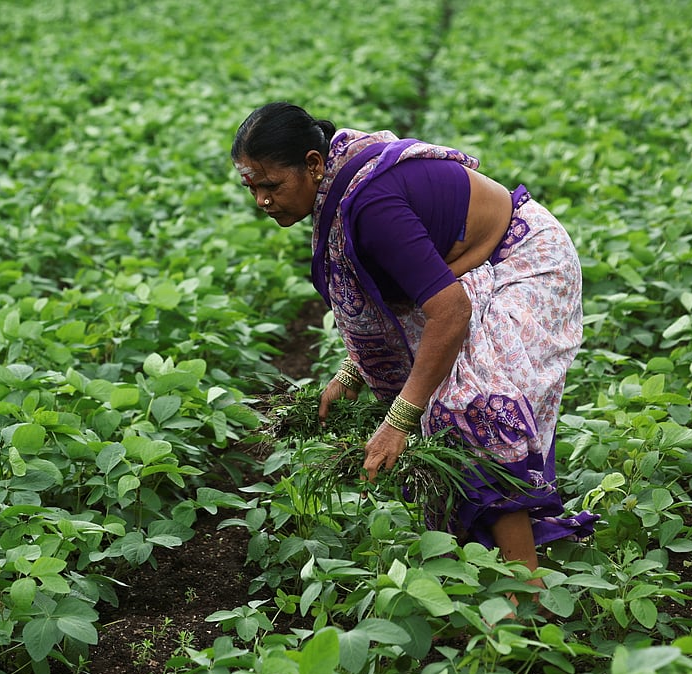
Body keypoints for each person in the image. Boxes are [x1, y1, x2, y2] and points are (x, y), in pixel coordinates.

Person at [231, 102, 596, 590]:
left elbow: (448, 312)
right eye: (251, 187)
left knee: (470, 409)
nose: (262, 200)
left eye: (271, 185)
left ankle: (523, 591)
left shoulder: (369, 204)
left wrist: (396, 421)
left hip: (523, 262)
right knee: (439, 409)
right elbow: (398, 299)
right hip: (465, 275)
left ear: (314, 164)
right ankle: (475, 577)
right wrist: (352, 370)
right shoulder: (338, 193)